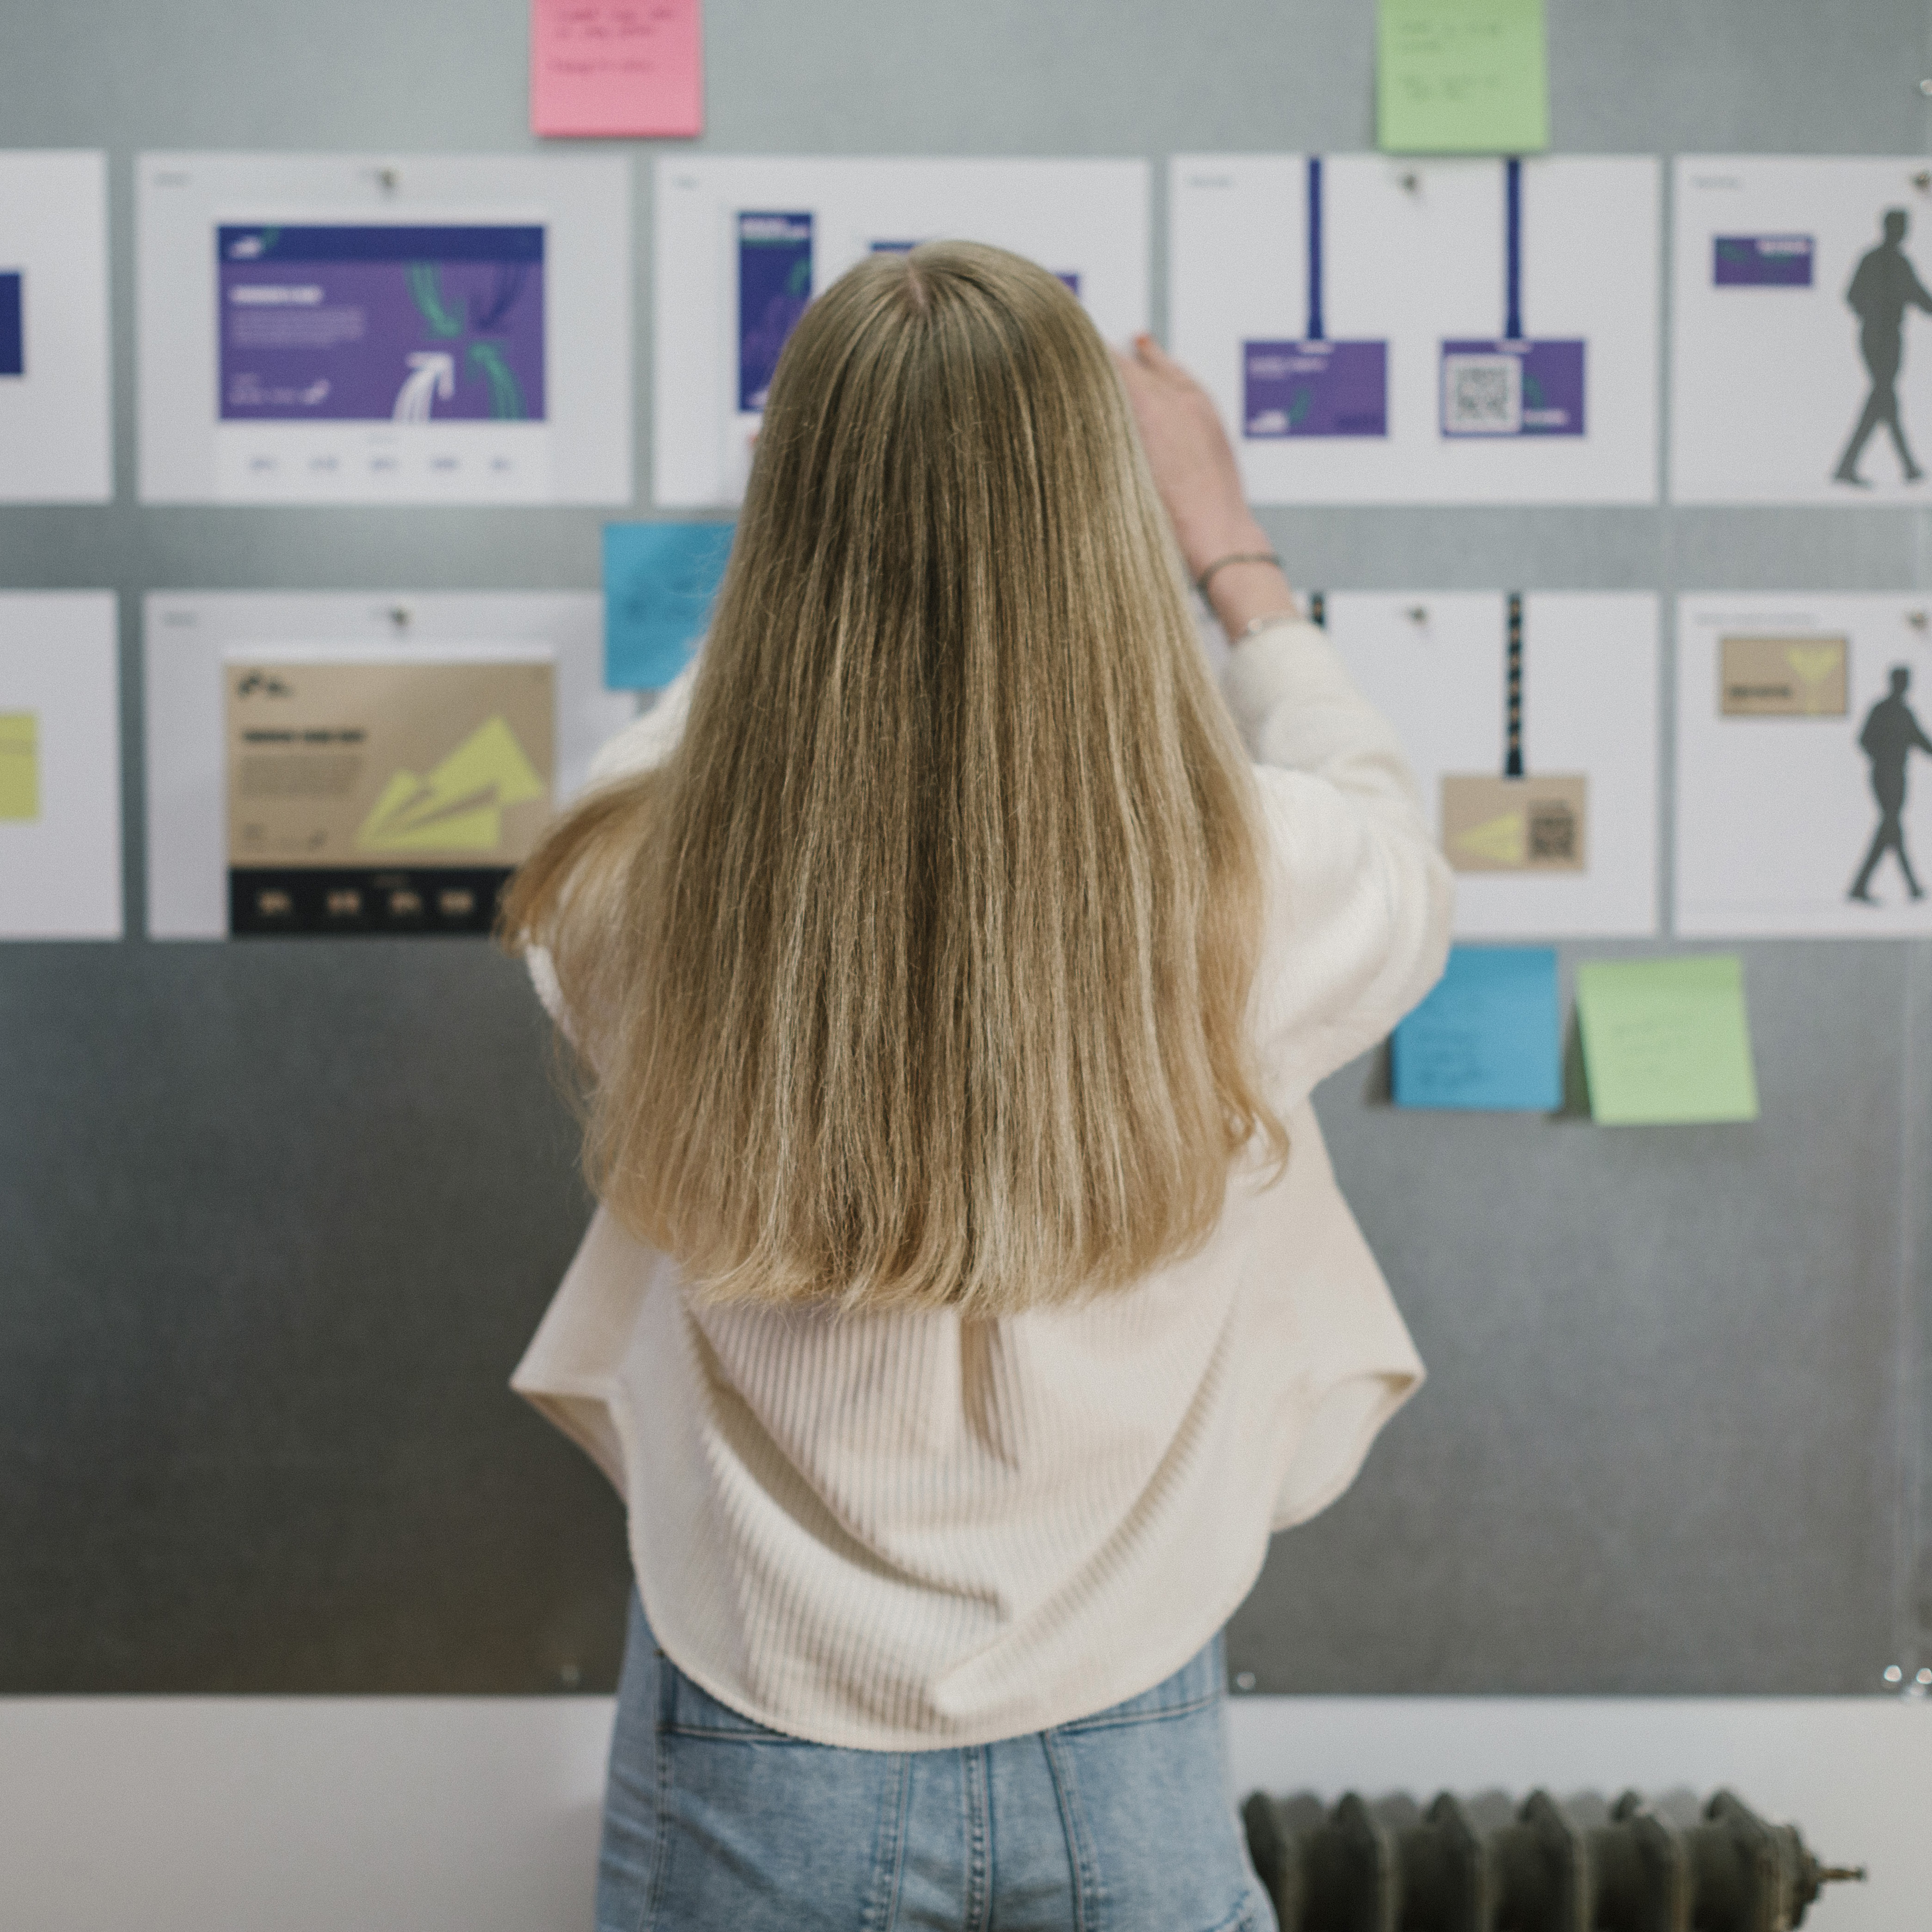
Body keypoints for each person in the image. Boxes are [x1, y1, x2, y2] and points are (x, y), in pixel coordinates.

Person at [501, 242, 1451, 1932]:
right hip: (1132, 1716)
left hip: (761, 1724)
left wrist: (821, 528)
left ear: (787, 512)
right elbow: (1382, 815)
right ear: (1103, 526)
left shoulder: (633, 890)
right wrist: (1229, 549)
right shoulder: (1261, 893)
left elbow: (666, 763)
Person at [1833, 208, 1932, 487]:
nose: (1903, 232)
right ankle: (1904, 466)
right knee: (1884, 396)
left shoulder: (1899, 263)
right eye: (1900, 227)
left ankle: (1855, 466)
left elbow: (1922, 299)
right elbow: (1852, 296)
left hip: (1890, 337)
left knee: (1883, 399)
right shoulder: (1877, 260)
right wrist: (1876, 313)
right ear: (1890, 228)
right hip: (1879, 337)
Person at [1848, 664, 1932, 902]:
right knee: (1891, 826)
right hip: (1884, 778)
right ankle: (1910, 886)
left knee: (1890, 830)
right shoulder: (1883, 710)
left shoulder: (1905, 713)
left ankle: (1864, 886)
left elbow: (1923, 742)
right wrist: (1883, 759)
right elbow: (1864, 741)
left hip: (1898, 778)